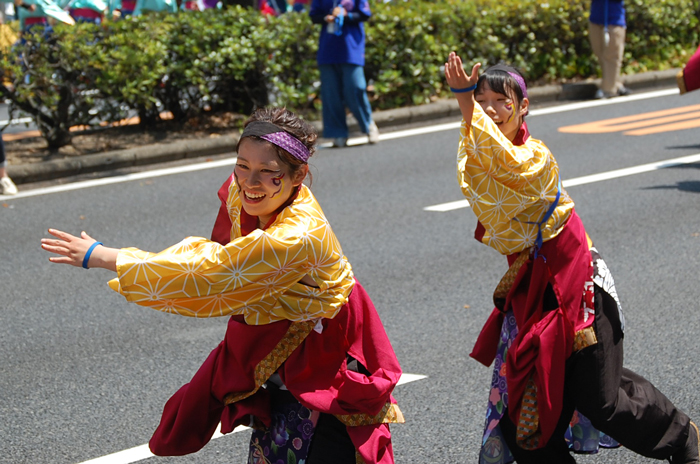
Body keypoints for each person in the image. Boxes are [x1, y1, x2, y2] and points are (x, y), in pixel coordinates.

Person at [41, 107, 403, 464]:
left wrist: (104, 256)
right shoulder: (242, 190)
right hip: (279, 345)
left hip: (324, 351)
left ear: (299, 175)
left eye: (267, 172)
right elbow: (220, 247)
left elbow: (214, 272)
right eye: (242, 165)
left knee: (324, 445)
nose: (249, 181)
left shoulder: (298, 235)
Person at [444, 51, 698, 464]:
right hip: (533, 290)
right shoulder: (481, 150)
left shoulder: (536, 157)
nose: (489, 110)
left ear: (523, 107)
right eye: (482, 99)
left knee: (601, 400)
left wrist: (465, 103)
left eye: (500, 101)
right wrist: (466, 106)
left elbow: (504, 164)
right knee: (529, 422)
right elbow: (477, 166)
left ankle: (684, 437)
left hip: (576, 283)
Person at [309, 0, 379, 147]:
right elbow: (314, 15)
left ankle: (368, 125)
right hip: (328, 51)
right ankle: (337, 133)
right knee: (330, 94)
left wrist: (345, 15)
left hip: (350, 49)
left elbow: (364, 14)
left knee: (355, 88)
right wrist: (326, 18)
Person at [589, 0, 630, 99]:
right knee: (600, 53)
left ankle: (608, 89)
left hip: (614, 21)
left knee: (612, 55)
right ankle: (615, 83)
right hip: (595, 19)